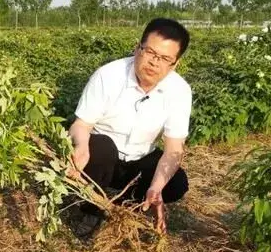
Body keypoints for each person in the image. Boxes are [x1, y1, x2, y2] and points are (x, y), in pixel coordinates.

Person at [68, 18, 192, 238]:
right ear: (137, 48)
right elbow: (82, 124)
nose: (154, 62)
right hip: (102, 159)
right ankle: (91, 209)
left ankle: (125, 204)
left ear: (175, 64)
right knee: (102, 148)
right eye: (150, 52)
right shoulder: (108, 75)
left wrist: (156, 187)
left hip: (139, 158)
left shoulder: (179, 90)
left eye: (164, 58)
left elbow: (174, 148)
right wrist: (80, 147)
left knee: (177, 182)